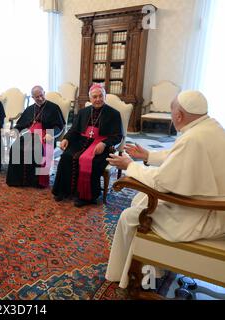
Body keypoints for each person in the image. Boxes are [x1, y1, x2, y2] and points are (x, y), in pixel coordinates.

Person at [105, 90, 225, 288]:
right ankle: (151, 268)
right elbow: (179, 156)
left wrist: (130, 166)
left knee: (130, 215)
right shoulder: (210, 127)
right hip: (215, 208)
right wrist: (148, 156)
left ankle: (129, 276)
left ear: (178, 115)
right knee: (141, 201)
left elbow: (160, 182)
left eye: (172, 112)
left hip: (203, 216)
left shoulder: (192, 138)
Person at [52, 84, 123, 207]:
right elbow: (74, 130)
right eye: (95, 97)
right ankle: (64, 190)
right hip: (81, 142)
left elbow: (118, 136)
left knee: (92, 162)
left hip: (101, 146)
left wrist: (104, 143)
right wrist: (66, 138)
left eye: (101, 96)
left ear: (105, 96)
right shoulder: (83, 112)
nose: (98, 99)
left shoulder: (114, 114)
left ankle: (86, 196)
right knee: (66, 157)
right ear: (90, 99)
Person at [6, 85, 65, 188]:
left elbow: (59, 126)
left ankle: (37, 181)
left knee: (37, 149)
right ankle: (19, 180)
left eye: (42, 95)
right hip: (29, 134)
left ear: (44, 93)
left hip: (46, 135)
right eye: (37, 97)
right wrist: (15, 131)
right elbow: (21, 124)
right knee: (16, 147)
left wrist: (51, 134)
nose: (40, 98)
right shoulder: (29, 109)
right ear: (32, 97)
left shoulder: (54, 107)